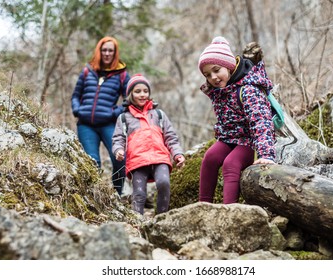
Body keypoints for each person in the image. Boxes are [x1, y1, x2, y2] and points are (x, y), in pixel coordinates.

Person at [197, 36, 276, 204]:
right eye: (207, 75)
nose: (213, 77)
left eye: (217, 70)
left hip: (250, 141)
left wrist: (266, 154)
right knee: (210, 157)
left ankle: (230, 211)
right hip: (230, 138)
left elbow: (261, 122)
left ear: (229, 66)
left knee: (230, 163)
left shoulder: (248, 90)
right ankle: (202, 207)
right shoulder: (220, 91)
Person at [112, 74, 185, 215]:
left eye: (145, 91)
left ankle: (161, 217)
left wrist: (177, 153)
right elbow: (118, 138)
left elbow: (171, 137)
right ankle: (137, 224)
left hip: (160, 158)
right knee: (139, 194)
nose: (142, 94)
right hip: (137, 161)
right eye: (137, 91)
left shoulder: (159, 115)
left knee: (164, 183)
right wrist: (118, 150)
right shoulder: (124, 118)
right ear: (130, 94)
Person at [71, 36, 130, 195]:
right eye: (104, 50)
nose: (107, 53)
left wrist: (114, 113)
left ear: (115, 52)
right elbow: (75, 95)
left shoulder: (122, 75)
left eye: (110, 50)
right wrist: (78, 110)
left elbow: (129, 101)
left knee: (120, 158)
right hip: (86, 125)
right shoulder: (87, 71)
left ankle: (117, 194)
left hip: (108, 124)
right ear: (99, 51)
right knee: (93, 161)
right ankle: (93, 196)